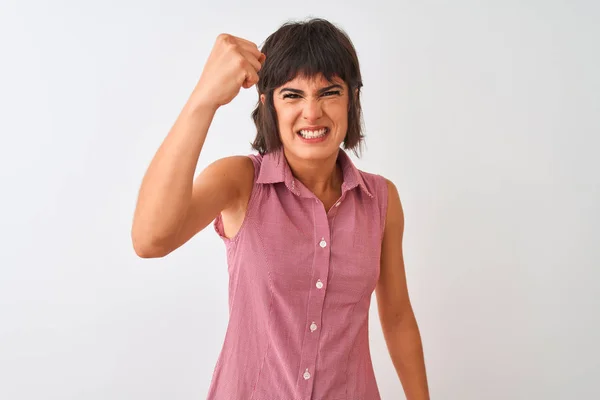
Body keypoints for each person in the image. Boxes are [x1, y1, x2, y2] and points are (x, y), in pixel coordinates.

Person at [132, 17, 430, 400]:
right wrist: (204, 97)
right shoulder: (239, 182)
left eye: (328, 93)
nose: (311, 112)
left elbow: (398, 317)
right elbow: (149, 240)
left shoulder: (382, 200)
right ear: (268, 104)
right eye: (292, 95)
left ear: (352, 99)